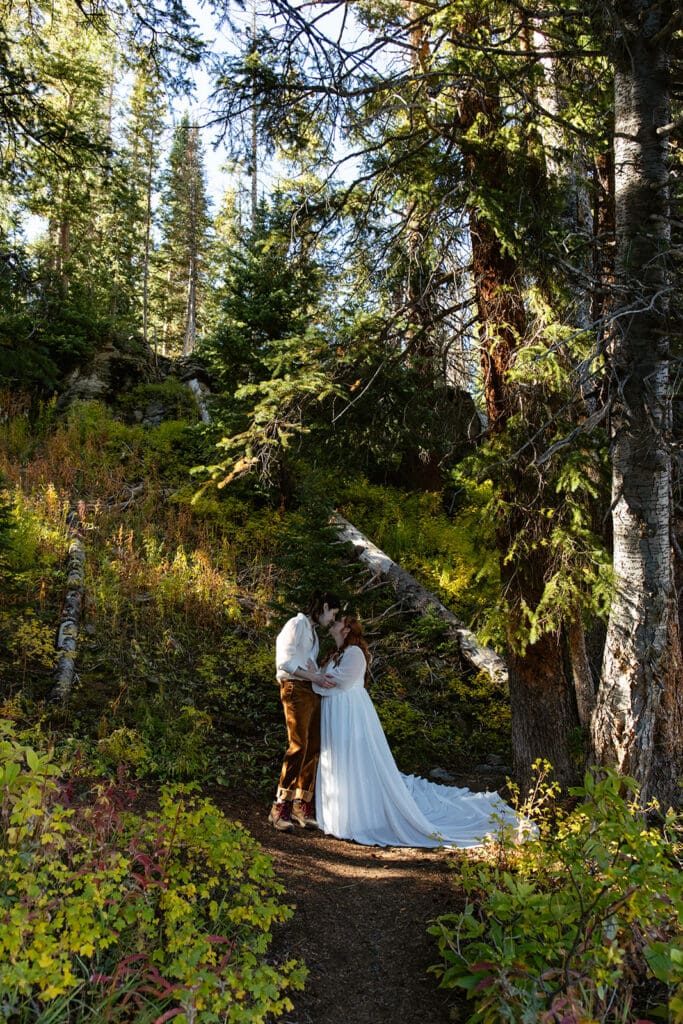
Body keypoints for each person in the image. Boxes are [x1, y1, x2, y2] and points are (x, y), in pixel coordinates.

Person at [311, 615, 527, 848]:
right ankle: (340, 814)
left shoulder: (354, 653)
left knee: (353, 759)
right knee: (339, 759)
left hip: (350, 713)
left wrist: (320, 680)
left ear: (346, 630)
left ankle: (357, 817)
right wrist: (319, 679)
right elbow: (320, 681)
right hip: (335, 711)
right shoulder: (336, 654)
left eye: (337, 623)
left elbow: (338, 682)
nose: (332, 625)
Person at [268, 589, 341, 832]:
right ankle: (280, 807)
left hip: (310, 689)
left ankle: (302, 803)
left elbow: (307, 666)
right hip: (294, 688)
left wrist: (319, 677)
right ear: (323, 607)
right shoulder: (296, 624)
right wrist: (313, 676)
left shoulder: (313, 635)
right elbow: (285, 663)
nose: (332, 619)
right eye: (333, 613)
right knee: (298, 746)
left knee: (313, 747)